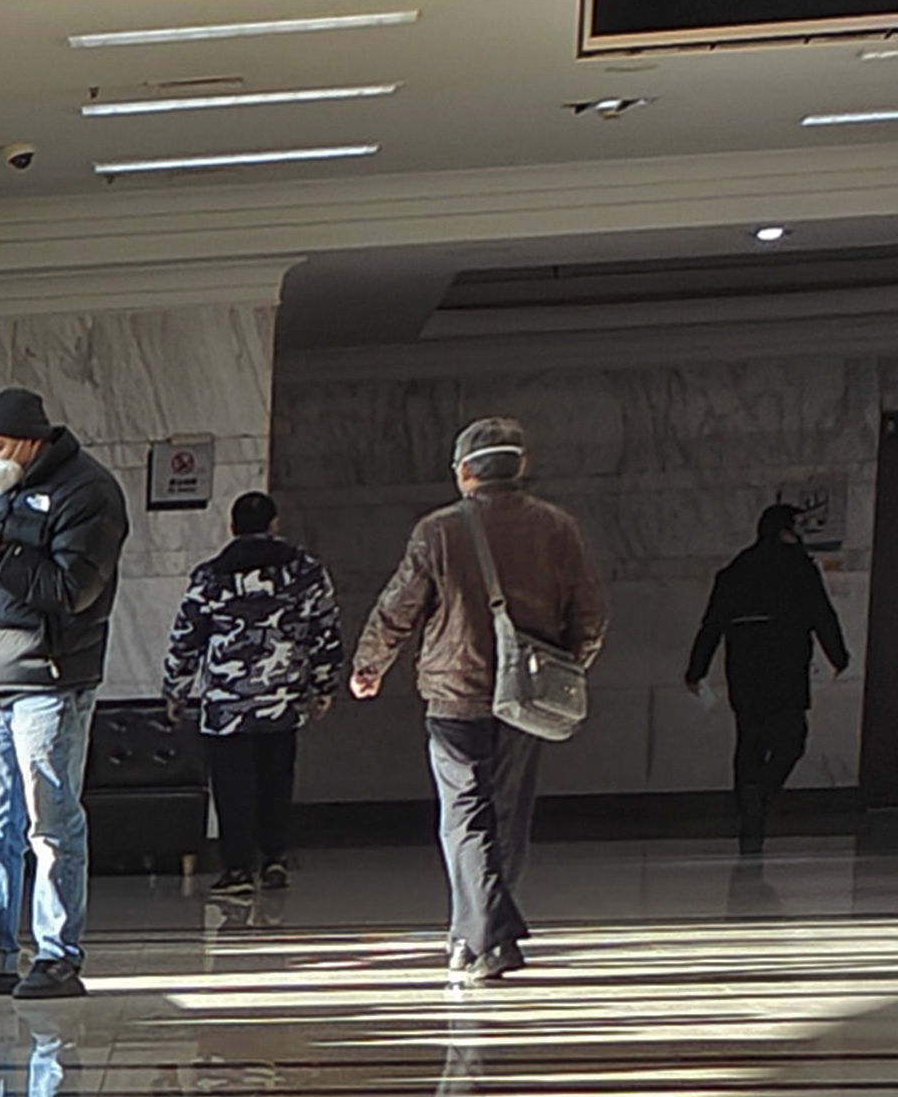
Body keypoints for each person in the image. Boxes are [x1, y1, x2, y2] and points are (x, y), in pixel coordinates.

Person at [352, 413, 607, 982]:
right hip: (530, 698)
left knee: (465, 817)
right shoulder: (559, 529)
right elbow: (590, 615)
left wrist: (369, 665)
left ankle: (488, 938)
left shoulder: (438, 531)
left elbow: (399, 607)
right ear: (522, 467)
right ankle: (471, 936)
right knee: (509, 817)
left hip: (455, 693)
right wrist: (564, 668)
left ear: (464, 472)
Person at [0, 381, 126, 1001]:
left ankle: (59, 957)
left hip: (51, 681)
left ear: (33, 441)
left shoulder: (88, 493)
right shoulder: (3, 492)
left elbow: (72, 592)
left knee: (52, 822)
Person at [153, 490, 339, 891]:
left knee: (232, 783)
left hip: (225, 703)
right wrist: (323, 685)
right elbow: (325, 632)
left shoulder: (211, 575)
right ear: (275, 524)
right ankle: (274, 860)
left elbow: (187, 637)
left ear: (233, 528)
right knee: (276, 778)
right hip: (283, 698)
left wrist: (176, 688)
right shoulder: (306, 571)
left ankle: (237, 868)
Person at [684, 500, 853, 859]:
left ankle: (750, 811)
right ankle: (761, 794)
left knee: (750, 740)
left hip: (744, 669)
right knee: (792, 737)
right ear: (786, 530)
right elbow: (822, 614)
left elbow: (711, 625)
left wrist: (696, 670)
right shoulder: (799, 567)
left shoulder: (734, 570)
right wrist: (838, 656)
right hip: (786, 666)